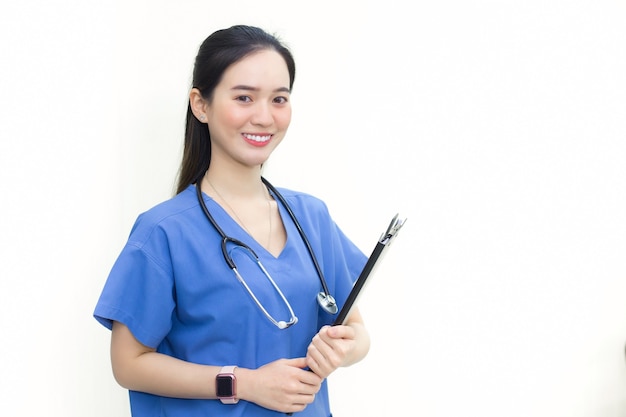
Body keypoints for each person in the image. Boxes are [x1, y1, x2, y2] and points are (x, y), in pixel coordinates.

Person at [94, 24, 370, 416]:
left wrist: (342, 350)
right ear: (200, 105)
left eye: (279, 99)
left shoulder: (312, 217)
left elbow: (358, 333)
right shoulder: (164, 232)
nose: (264, 116)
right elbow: (128, 363)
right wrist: (245, 383)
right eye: (244, 97)